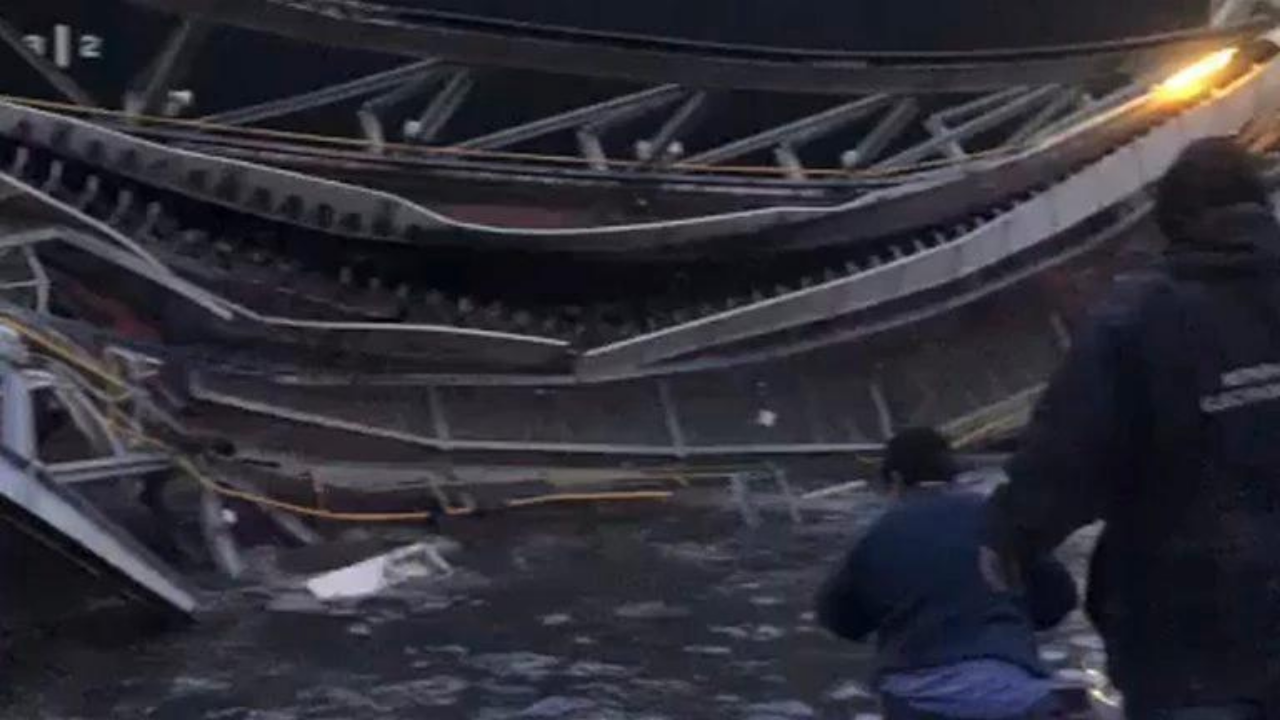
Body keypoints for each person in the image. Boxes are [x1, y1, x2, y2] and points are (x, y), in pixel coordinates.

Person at [985, 136, 1280, 719]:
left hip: (1187, 626)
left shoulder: (1137, 319)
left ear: (1172, 223)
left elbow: (1067, 452)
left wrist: (1011, 539)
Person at [817, 427, 1077, 720]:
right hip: (1011, 685)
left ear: (896, 481)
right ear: (955, 475)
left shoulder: (877, 534)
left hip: (913, 693)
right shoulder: (1001, 520)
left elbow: (840, 619)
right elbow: (1059, 600)